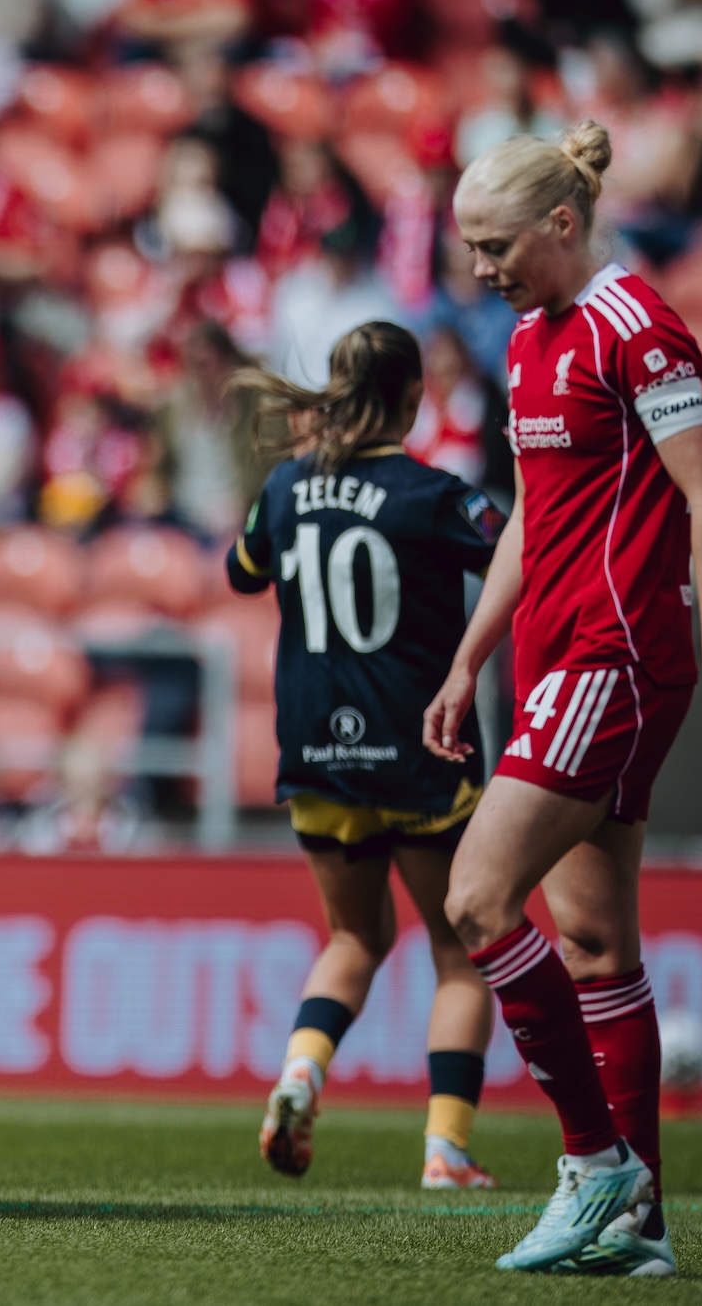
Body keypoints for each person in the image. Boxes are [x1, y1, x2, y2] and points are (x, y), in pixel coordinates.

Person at [422, 122, 702, 1277]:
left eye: (493, 244)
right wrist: (469, 657)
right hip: (546, 654)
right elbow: (533, 511)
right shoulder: (529, 339)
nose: (479, 268)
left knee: (475, 901)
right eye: (469, 246)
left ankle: (592, 1163)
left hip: (611, 656)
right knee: (590, 938)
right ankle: (641, 1226)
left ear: (560, 225)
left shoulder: (637, 329)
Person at [226, 322, 501, 1191]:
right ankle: (445, 1150)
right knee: (459, 953)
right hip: (417, 747)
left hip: (316, 749)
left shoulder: (283, 484)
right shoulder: (432, 495)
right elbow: (517, 556)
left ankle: (300, 1074)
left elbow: (241, 571)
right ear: (415, 395)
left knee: (353, 933)